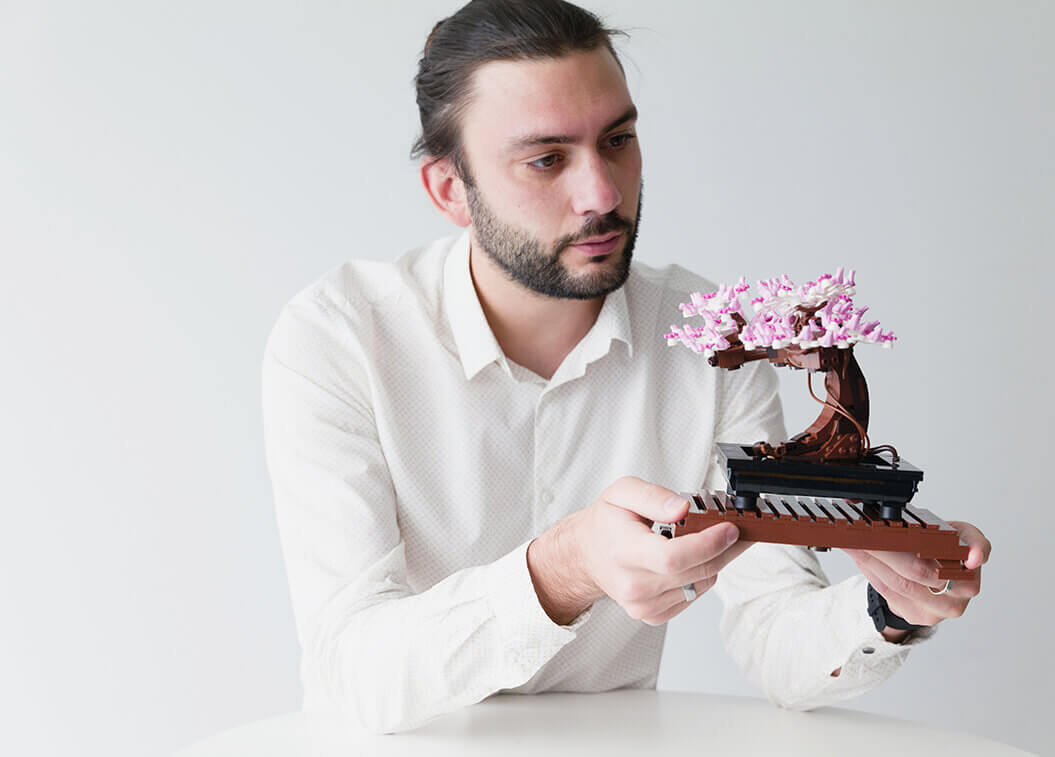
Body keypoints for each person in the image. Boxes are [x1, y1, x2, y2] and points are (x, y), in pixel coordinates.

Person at [261, 0, 990, 735]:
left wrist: (891, 606)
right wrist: (563, 568)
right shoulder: (342, 339)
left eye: (618, 140)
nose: (604, 194)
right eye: (546, 159)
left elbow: (774, 626)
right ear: (450, 189)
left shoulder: (710, 341)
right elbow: (349, 670)